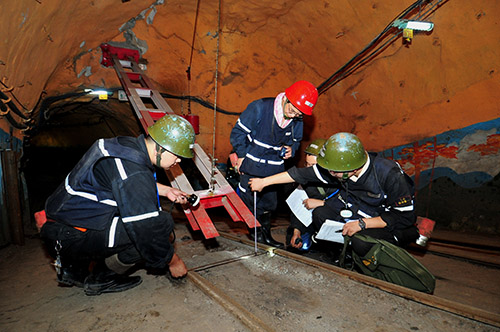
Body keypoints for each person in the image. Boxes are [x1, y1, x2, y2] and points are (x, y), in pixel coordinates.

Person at [40, 114, 196, 295]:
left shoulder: (126, 147)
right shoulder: (134, 173)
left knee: (147, 224)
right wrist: (173, 261)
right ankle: (102, 279)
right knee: (158, 227)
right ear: (161, 149)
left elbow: (120, 181)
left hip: (64, 223)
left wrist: (165, 190)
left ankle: (78, 265)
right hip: (70, 235)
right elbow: (146, 230)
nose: (179, 161)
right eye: (177, 155)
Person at [249, 132, 419, 258]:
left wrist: (362, 224)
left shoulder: (389, 174)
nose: (329, 174)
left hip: (386, 222)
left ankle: (368, 262)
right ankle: (341, 255)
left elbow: (404, 217)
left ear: (351, 170)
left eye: (334, 172)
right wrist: (264, 182)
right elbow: (300, 174)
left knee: (361, 241)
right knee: (320, 214)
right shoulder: (340, 168)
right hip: (358, 211)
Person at [230, 80, 318, 248]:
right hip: (252, 164)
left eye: (298, 115)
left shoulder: (297, 118)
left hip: (274, 169)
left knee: (269, 204)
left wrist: (292, 149)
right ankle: (255, 235)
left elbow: (296, 141)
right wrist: (241, 155)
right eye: (292, 110)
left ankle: (266, 235)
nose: (293, 116)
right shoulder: (260, 108)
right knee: (251, 202)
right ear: (286, 99)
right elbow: (238, 133)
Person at [285, 138, 339, 251]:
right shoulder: (306, 180)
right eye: (307, 165)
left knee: (321, 213)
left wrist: (322, 203)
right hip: (310, 219)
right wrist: (297, 231)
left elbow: (349, 207)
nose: (309, 170)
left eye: (314, 166)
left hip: (334, 219)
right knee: (294, 241)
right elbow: (298, 207)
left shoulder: (338, 179)